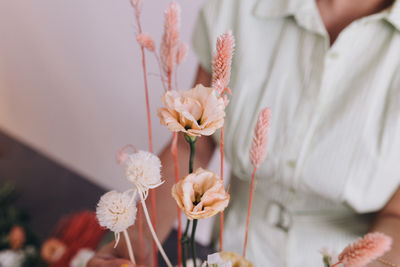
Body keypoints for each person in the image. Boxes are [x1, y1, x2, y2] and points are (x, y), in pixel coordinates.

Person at [88, 0, 400, 266]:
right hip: (234, 252)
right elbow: (191, 146)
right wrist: (137, 238)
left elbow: (396, 217)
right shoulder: (238, 7)